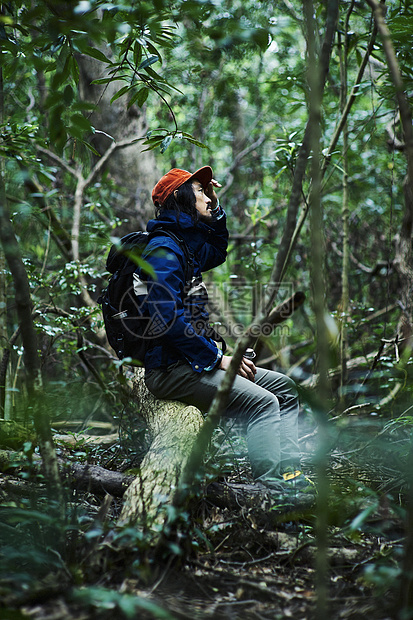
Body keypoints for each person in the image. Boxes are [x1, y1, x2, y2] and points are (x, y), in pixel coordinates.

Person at [139, 165, 311, 501]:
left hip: (193, 362)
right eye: (199, 190)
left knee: (285, 389)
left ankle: (290, 473)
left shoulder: (184, 245)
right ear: (180, 196)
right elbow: (165, 317)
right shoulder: (163, 251)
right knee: (263, 404)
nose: (205, 194)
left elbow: (217, 251)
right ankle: (271, 490)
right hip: (172, 370)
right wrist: (217, 358)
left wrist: (214, 207)